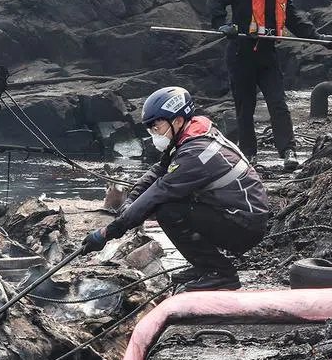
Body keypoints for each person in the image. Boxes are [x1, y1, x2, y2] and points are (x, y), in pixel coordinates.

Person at [81, 86, 270, 292]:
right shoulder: (189, 135)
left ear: (178, 121)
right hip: (232, 212)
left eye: (158, 128)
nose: (155, 135)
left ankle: (221, 273)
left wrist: (106, 233)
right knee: (172, 207)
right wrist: (131, 199)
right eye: (151, 129)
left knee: (169, 211)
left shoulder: (196, 153)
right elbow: (158, 171)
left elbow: (158, 193)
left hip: (244, 224)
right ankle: (204, 266)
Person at [208, 0, 332, 170]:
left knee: (278, 103)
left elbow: (295, 20)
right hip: (241, 54)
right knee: (245, 107)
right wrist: (222, 24)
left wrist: (319, 38)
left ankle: (288, 150)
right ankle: (249, 154)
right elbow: (215, 0)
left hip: (267, 55)